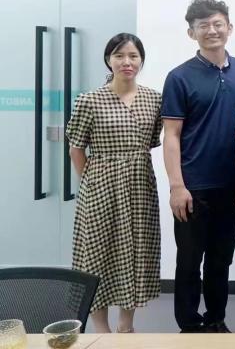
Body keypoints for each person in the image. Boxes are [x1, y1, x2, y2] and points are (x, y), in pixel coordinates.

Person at [162, 0, 235, 333]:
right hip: (193, 186)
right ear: (192, 33)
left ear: (229, 27)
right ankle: (188, 325)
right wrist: (177, 186)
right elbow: (171, 135)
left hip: (232, 184)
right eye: (203, 25)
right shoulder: (179, 77)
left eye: (218, 24)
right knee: (189, 260)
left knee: (221, 260)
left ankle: (216, 319)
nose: (212, 30)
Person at [66, 33, 162, 334]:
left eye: (133, 56)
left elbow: (152, 141)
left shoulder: (154, 99)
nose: (126, 62)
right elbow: (76, 149)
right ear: (109, 60)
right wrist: (91, 184)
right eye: (119, 55)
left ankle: (126, 325)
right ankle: (101, 330)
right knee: (96, 255)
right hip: (100, 186)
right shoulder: (89, 100)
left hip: (139, 185)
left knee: (135, 251)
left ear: (141, 60)